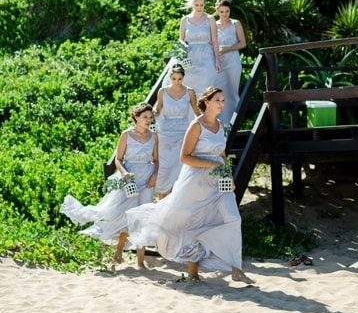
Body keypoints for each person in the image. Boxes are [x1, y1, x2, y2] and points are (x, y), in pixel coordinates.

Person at [126, 87, 253, 284]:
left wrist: (227, 172)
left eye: (223, 100)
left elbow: (221, 153)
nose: (222, 104)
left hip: (219, 182)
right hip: (196, 181)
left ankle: (236, 268)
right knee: (191, 223)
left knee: (233, 219)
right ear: (207, 102)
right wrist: (211, 164)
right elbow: (184, 157)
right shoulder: (196, 125)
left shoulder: (220, 125)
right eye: (218, 100)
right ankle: (193, 272)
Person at [60, 103, 159, 268]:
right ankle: (118, 251)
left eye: (150, 117)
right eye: (145, 117)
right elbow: (118, 159)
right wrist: (125, 173)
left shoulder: (154, 136)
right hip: (129, 178)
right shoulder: (126, 135)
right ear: (136, 117)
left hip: (147, 179)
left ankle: (140, 262)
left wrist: (155, 174)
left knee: (143, 218)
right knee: (123, 215)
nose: (148, 120)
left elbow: (156, 160)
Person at [154, 64, 201, 195]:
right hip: (165, 130)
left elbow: (196, 110)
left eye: (180, 78)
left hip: (183, 130)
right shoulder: (162, 92)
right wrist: (148, 114)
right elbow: (157, 110)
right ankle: (162, 192)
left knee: (180, 162)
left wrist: (205, 123)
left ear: (183, 78)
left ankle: (177, 192)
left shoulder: (189, 92)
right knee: (165, 162)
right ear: (170, 78)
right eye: (174, 78)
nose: (177, 81)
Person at [180, 0, 221, 96]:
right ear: (192, 4)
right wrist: (182, 57)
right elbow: (181, 41)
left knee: (206, 85)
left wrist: (217, 60)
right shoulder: (185, 20)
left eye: (201, 5)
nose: (199, 8)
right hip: (190, 56)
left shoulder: (210, 19)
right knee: (187, 83)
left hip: (206, 56)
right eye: (196, 5)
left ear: (204, 4)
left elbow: (215, 41)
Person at [214, 0, 247, 127]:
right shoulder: (214, 25)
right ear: (217, 11)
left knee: (232, 91)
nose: (225, 14)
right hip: (219, 63)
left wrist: (227, 48)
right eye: (222, 11)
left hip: (232, 60)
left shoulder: (235, 23)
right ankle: (221, 123)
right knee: (219, 91)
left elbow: (243, 43)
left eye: (227, 11)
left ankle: (234, 123)